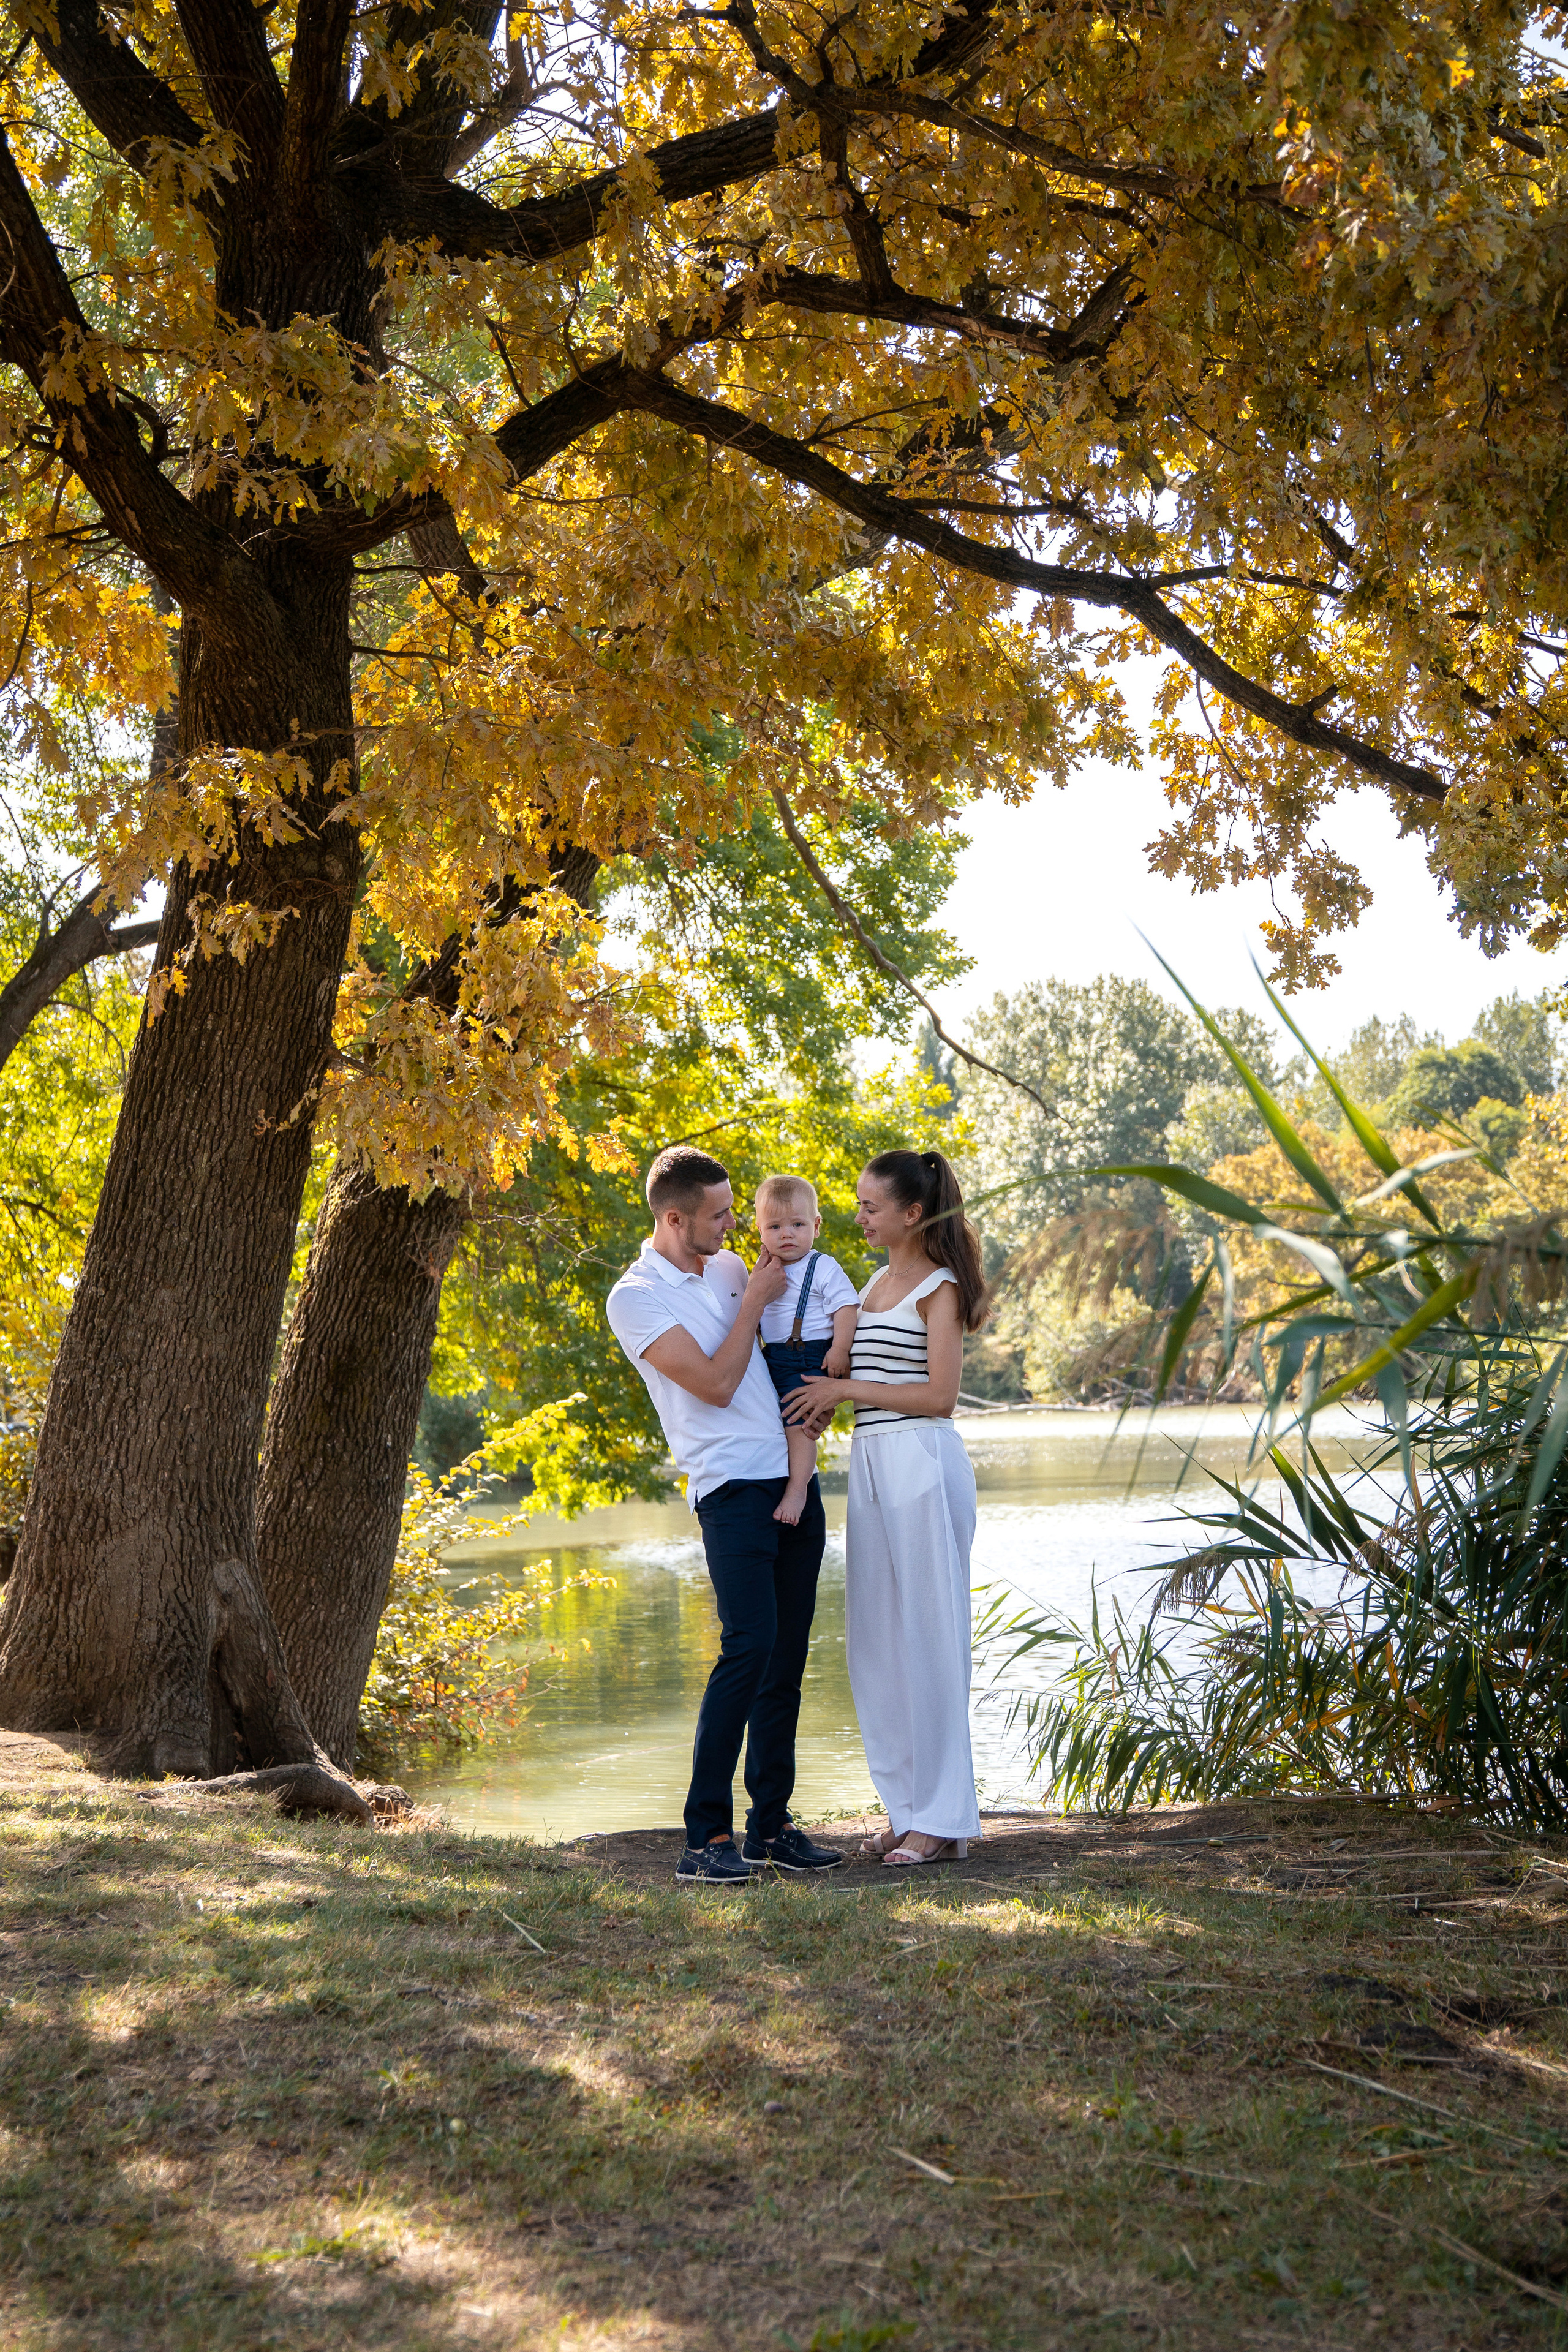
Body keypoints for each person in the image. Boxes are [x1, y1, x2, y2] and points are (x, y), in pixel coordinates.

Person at [606, 1146, 847, 1886]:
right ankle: (704, 1835)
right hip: (729, 1486)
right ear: (674, 1219)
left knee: (787, 1659)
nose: (735, 1224)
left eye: (735, 1209)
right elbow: (713, 1383)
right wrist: (748, 1304)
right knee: (749, 1646)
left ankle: (770, 1827)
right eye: (719, 1215)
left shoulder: (734, 1266)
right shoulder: (635, 1295)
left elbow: (788, 1340)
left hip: (788, 1479)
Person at [783, 1147, 990, 1868]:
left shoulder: (940, 1288)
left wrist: (844, 1392)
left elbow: (939, 1397)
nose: (859, 1215)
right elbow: (863, 1380)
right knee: (877, 1643)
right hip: (871, 1462)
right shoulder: (869, 1285)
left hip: (923, 1462)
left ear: (912, 1213)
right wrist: (819, 1395)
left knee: (931, 1641)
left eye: (872, 1206)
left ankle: (944, 1820)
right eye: (859, 1203)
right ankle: (907, 1811)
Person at [753, 1173, 860, 1528]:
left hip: (809, 1356)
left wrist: (841, 1349)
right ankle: (777, 1479)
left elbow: (845, 1307)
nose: (787, 1234)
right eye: (775, 1227)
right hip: (773, 1358)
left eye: (797, 1224)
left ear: (816, 1225)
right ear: (760, 1231)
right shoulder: (761, 1270)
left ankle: (798, 1488)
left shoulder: (822, 1266)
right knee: (774, 1422)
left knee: (798, 1424)